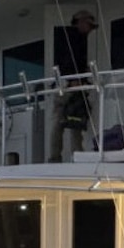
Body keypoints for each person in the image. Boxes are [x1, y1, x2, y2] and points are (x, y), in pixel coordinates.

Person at [49, 10, 97, 162]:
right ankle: (57, 157)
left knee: (76, 119)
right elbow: (65, 61)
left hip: (76, 85)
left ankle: (76, 155)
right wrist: (73, 80)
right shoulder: (71, 38)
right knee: (60, 121)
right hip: (68, 86)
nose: (89, 29)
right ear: (81, 22)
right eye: (88, 24)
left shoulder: (80, 39)